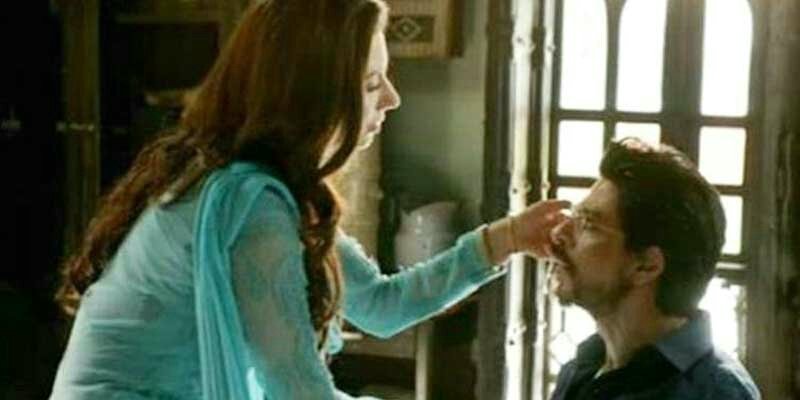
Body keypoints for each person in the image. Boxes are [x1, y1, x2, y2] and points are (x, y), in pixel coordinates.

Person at [49, 1, 568, 399]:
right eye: (372, 83)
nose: (392, 98)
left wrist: (505, 240)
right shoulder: (249, 203)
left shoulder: (255, 187)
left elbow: (380, 307)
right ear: (312, 95)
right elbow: (297, 390)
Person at [545, 138, 761, 400]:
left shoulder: (716, 393)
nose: (558, 233)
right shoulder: (585, 368)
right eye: (575, 216)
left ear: (646, 266)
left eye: (588, 224)